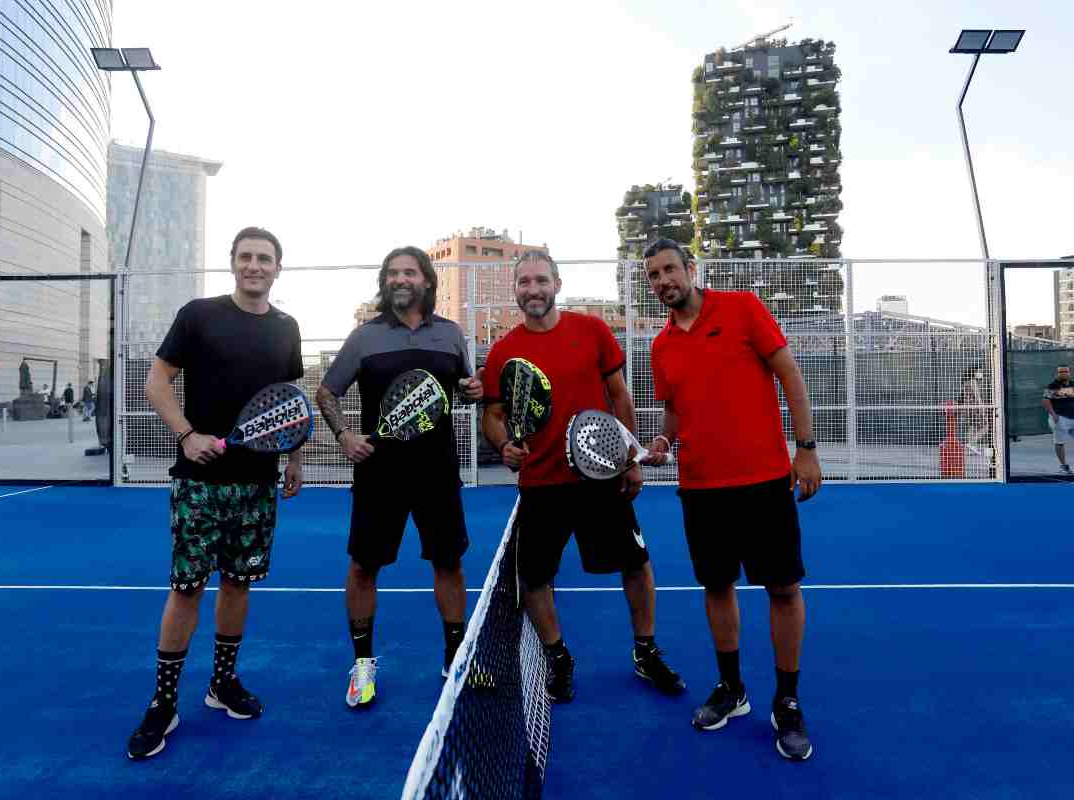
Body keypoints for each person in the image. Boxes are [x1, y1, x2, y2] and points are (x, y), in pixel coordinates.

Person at [125, 227, 305, 760]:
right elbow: (156, 382)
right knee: (186, 588)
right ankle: (164, 702)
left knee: (238, 583)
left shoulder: (287, 327)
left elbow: (288, 398)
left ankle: (222, 683)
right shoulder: (198, 315)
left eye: (265, 259)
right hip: (199, 483)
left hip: (257, 483)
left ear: (277, 268)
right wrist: (187, 433)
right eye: (246, 257)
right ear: (232, 263)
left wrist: (294, 456)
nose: (255, 266)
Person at [640, 239, 821, 761]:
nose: (664, 280)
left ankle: (786, 701)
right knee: (717, 587)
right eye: (654, 275)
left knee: (783, 589)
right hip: (700, 490)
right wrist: (663, 443)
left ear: (691, 270)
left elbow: (789, 375)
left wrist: (805, 450)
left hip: (765, 483)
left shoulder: (742, 308)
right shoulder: (661, 346)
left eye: (670, 268)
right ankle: (731, 689)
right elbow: (673, 409)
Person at [480, 250, 686, 705]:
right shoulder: (502, 351)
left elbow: (619, 396)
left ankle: (646, 651)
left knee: (636, 563)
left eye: (540, 280)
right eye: (523, 283)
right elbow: (492, 416)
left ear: (556, 283)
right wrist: (503, 445)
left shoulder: (591, 331)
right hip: (541, 484)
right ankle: (557, 657)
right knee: (534, 578)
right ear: (516, 290)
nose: (532, 290)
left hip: (600, 477)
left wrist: (629, 456)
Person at [316, 246, 482, 708]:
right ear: (384, 282)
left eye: (409, 272)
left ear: (426, 280)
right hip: (379, 476)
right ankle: (363, 663)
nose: (399, 279)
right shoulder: (364, 337)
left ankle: (454, 657)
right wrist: (345, 435)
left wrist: (474, 389)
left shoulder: (451, 335)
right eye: (392, 273)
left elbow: (462, 392)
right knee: (364, 566)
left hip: (437, 473)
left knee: (448, 563)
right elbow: (327, 391)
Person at [1043, 364, 1074, 475]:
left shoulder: (1072, 384)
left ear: (1069, 372)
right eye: (1061, 372)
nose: (1063, 373)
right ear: (1058, 373)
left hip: (1072, 418)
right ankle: (1063, 466)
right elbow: (1046, 401)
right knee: (1059, 442)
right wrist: (1054, 415)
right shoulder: (1052, 386)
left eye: (1065, 371)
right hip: (1059, 419)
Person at [959, 365, 991, 460]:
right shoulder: (973, 382)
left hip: (967, 409)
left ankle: (972, 447)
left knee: (971, 427)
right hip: (975, 409)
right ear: (974, 372)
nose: (981, 373)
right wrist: (982, 409)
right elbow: (977, 398)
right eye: (979, 371)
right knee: (986, 427)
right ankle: (972, 442)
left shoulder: (965, 382)